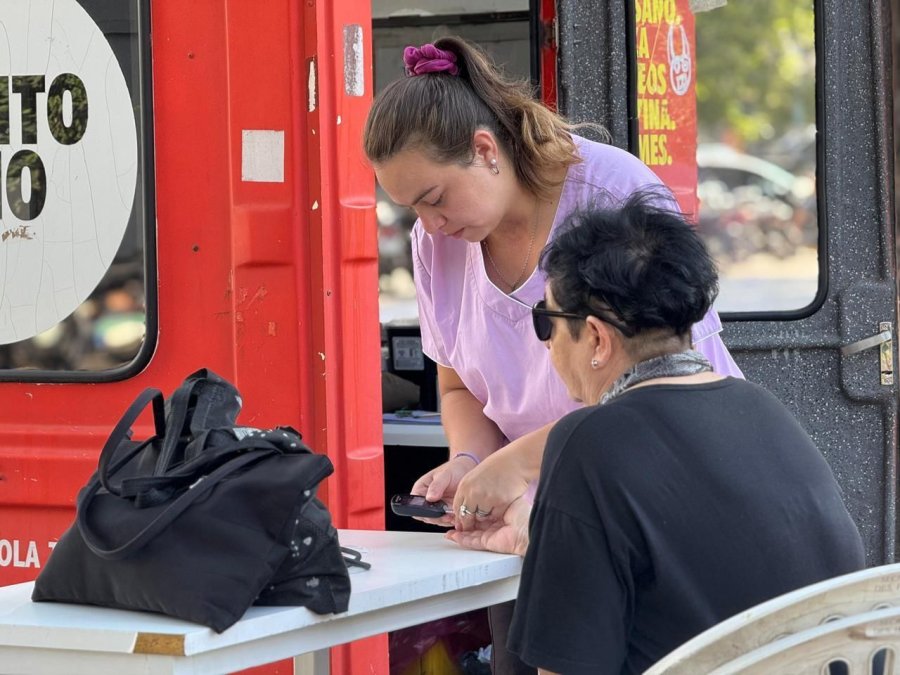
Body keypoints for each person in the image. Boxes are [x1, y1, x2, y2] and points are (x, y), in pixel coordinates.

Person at [364, 36, 744, 673]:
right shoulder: (439, 246)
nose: (427, 226)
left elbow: (670, 385)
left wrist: (514, 463)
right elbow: (457, 388)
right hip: (533, 524)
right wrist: (469, 460)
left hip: (655, 509)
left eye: (433, 199)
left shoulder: (613, 189)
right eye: (409, 210)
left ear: (485, 150)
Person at [447, 191, 866, 675]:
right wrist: (536, 536)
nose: (546, 345)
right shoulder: (763, 408)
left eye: (547, 322)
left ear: (597, 338)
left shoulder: (587, 440)